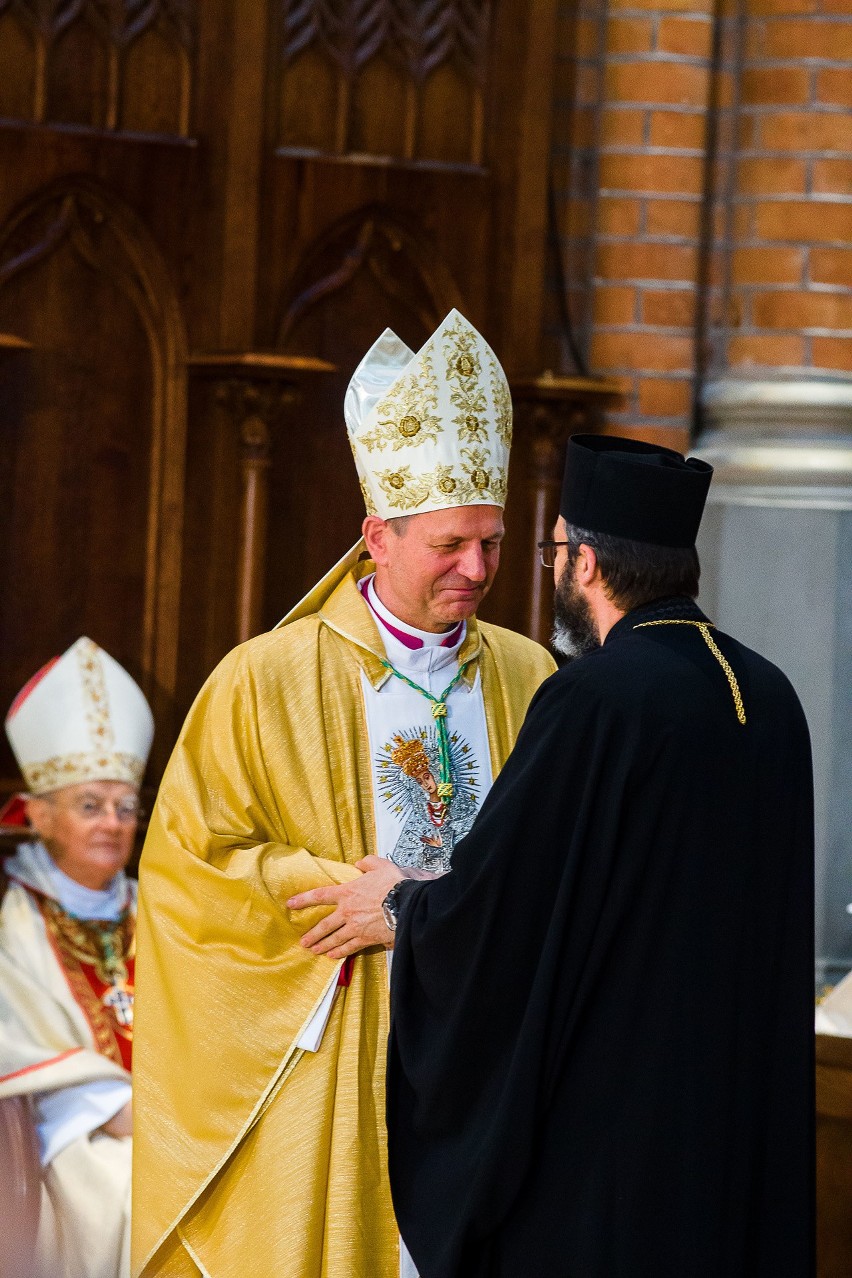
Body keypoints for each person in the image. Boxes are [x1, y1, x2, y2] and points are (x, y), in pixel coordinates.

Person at [132, 310, 556, 1278]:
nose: (479, 570)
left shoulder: (530, 679)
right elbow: (191, 871)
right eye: (451, 545)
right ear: (377, 536)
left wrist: (419, 911)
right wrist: (336, 888)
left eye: (492, 543)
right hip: (342, 1052)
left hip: (486, 1053)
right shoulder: (266, 678)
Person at [384, 434, 815, 1278]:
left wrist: (403, 906)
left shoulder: (594, 697)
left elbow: (505, 910)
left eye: (549, 550)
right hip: (733, 1120)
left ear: (582, 562)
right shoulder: (768, 693)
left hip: (615, 1140)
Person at [0, 636, 154, 1278]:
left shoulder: (162, 912)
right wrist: (116, 1109)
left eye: (124, 808)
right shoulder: (13, 922)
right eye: (89, 806)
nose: (111, 824)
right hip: (56, 1132)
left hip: (167, 1121)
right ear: (38, 814)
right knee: (124, 1195)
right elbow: (15, 1046)